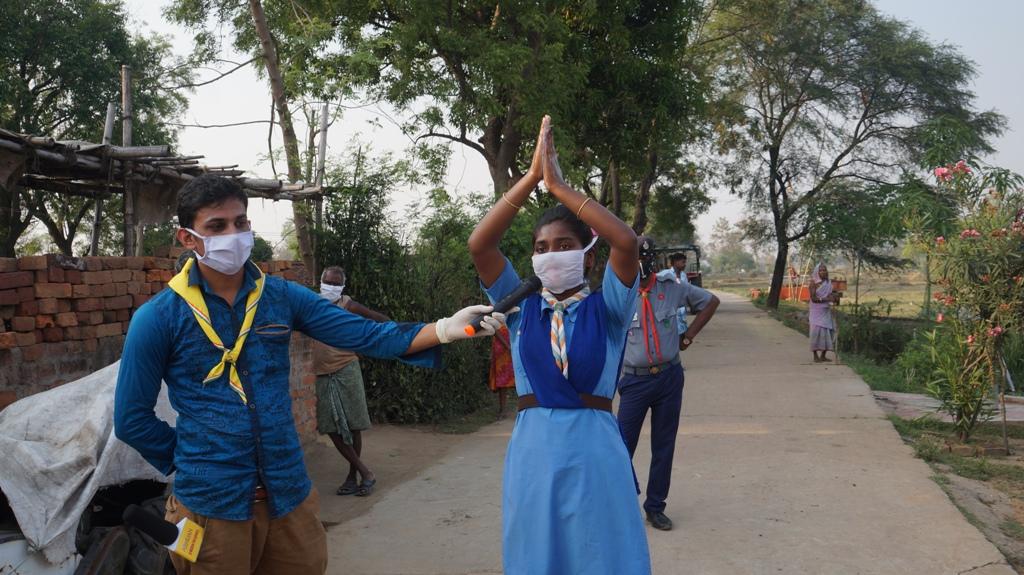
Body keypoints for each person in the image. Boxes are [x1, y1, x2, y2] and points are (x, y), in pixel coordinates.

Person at [114, 175, 505, 575]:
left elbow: (365, 334)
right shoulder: (159, 317)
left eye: (241, 222)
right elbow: (131, 419)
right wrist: (190, 460)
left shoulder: (280, 297)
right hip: (210, 507)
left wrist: (444, 329)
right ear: (187, 238)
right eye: (217, 226)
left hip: (289, 497)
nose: (234, 234)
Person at [468, 115, 650, 575]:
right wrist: (530, 180)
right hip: (535, 454)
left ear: (585, 250)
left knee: (602, 556)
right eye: (542, 246)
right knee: (537, 557)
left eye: (564, 243)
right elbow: (480, 244)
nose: (552, 253)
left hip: (596, 453)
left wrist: (559, 186)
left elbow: (626, 242)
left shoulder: (608, 306)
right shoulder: (520, 305)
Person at [617, 237, 719, 531]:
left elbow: (710, 302)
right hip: (634, 382)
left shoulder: (671, 288)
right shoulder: (617, 295)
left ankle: (655, 506)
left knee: (664, 445)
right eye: (633, 257)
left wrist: (688, 337)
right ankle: (620, 505)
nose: (640, 263)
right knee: (621, 447)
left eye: (643, 257)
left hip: (669, 378)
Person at [312, 265, 389, 497]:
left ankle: (352, 476)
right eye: (328, 282)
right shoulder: (312, 305)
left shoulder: (349, 305)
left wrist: (372, 341)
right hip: (323, 372)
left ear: (343, 286)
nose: (331, 287)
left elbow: (381, 320)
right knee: (330, 427)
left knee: (354, 425)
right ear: (320, 282)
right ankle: (365, 472)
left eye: (336, 283)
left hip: (347, 368)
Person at [808, 262, 836, 362]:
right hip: (816, 312)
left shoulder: (828, 283)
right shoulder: (813, 283)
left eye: (825, 270)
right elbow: (814, 298)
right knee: (815, 332)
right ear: (817, 272)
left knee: (829, 331)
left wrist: (833, 298)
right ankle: (815, 356)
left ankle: (823, 355)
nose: (823, 272)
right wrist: (826, 299)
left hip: (826, 311)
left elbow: (831, 294)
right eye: (821, 270)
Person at [657, 251, 690, 334]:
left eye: (685, 262)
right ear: (675, 262)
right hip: (668, 309)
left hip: (681, 310)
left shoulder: (683, 275)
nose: (685, 264)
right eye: (683, 262)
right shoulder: (665, 274)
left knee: (681, 334)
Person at [488, 324, 516, 418]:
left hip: (513, 341)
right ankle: (502, 410)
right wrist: (507, 346)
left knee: (521, 377)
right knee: (502, 381)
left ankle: (525, 408)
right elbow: (494, 329)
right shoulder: (493, 310)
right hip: (501, 347)